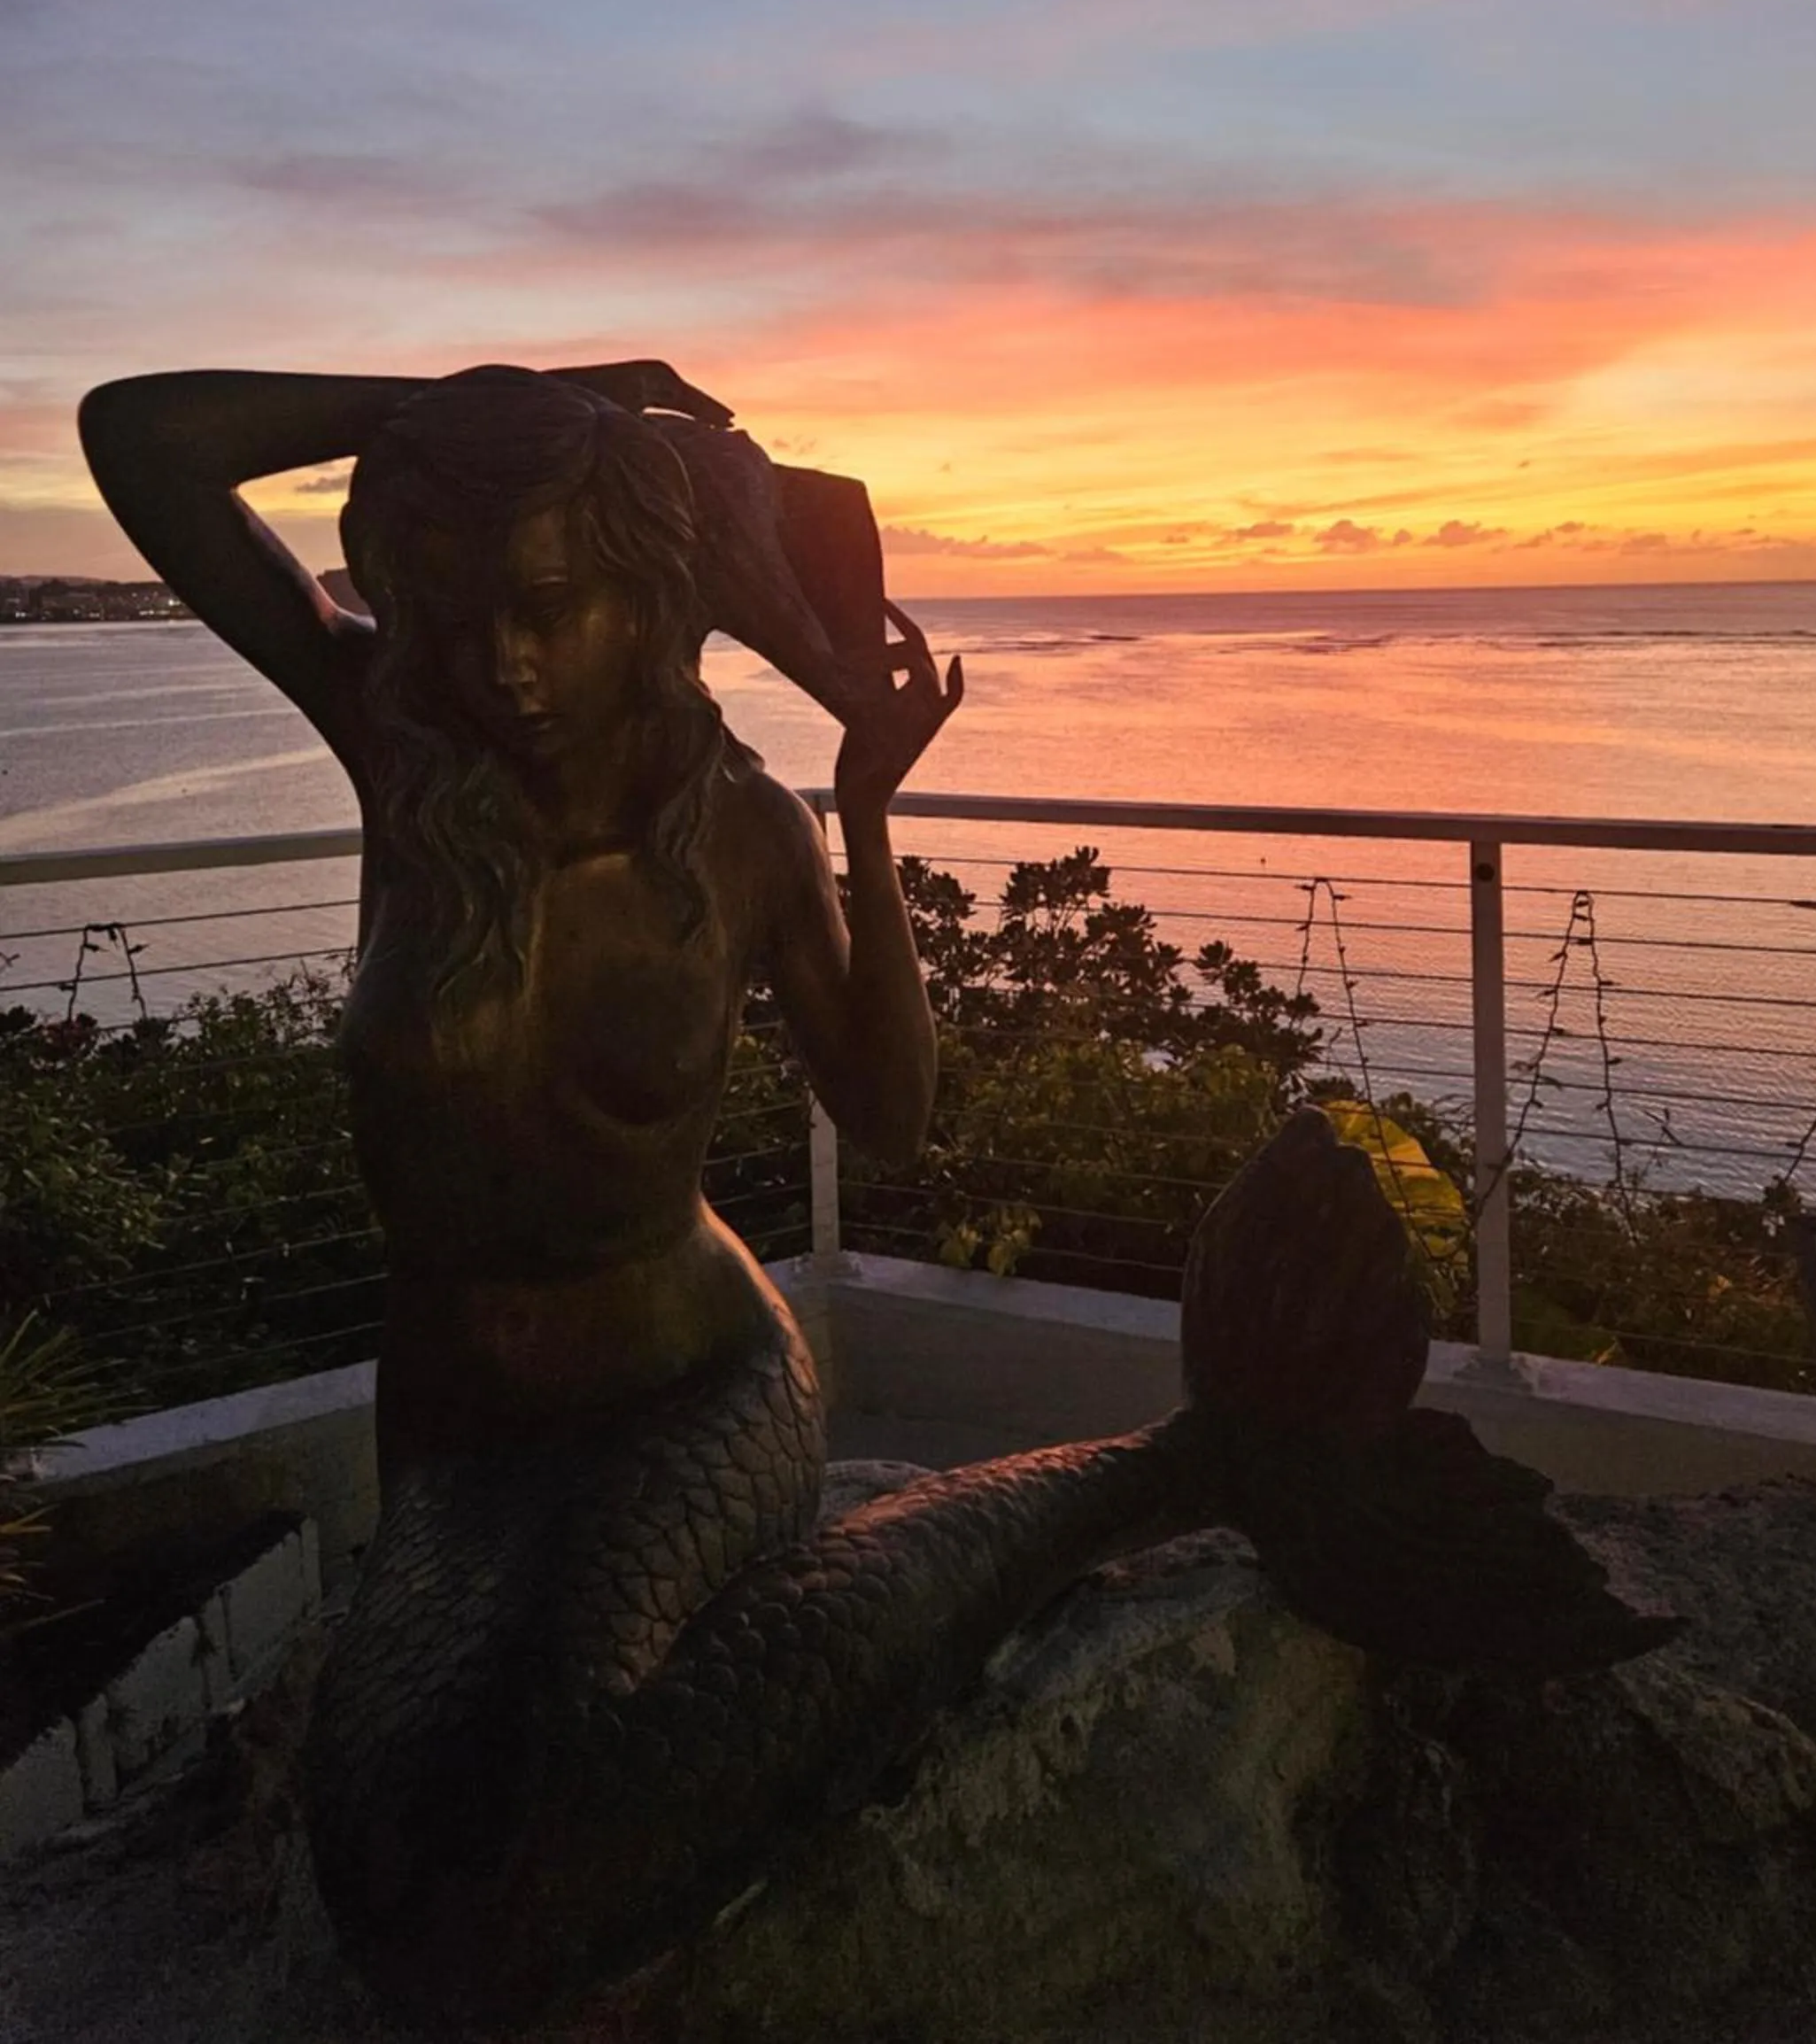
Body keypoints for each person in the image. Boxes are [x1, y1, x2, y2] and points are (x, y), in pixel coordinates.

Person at [80, 360, 1673, 2029]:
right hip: (466, 1436)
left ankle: (1186, 1467)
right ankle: (1198, 1462)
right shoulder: (403, 756)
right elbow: (142, 437)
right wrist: (536, 397)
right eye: (459, 614)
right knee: (396, 1860)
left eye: (550, 609)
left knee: (541, 1846)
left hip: (697, 1390)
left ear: (646, 596)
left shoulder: (740, 832)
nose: (506, 664)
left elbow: (891, 1120)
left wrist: (864, 811)